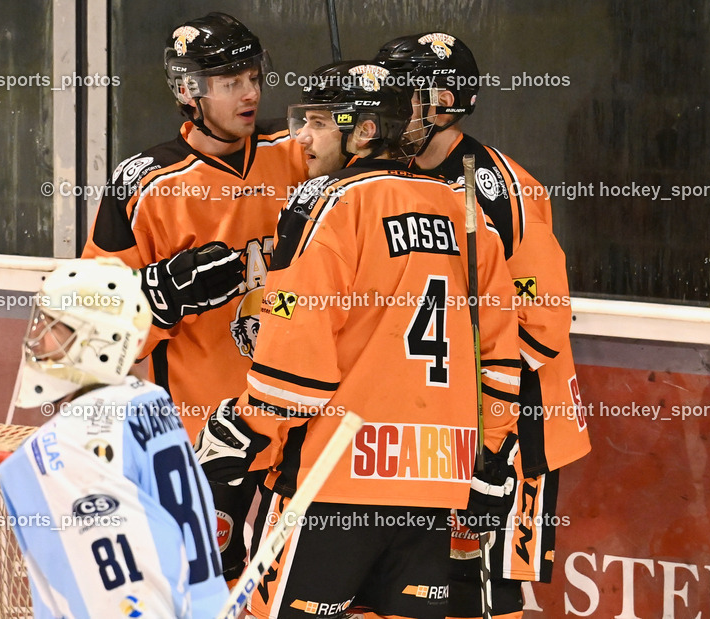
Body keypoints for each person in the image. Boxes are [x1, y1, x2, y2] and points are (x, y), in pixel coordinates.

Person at [195, 61, 521, 619]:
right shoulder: (464, 209)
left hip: (333, 481)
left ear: (365, 130)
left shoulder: (323, 201)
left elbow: (298, 362)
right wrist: (491, 450)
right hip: (433, 486)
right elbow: (498, 356)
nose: (300, 136)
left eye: (318, 122)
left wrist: (246, 431)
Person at [80, 12, 308, 582]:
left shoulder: (300, 152)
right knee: (200, 587)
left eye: (254, 77)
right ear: (189, 91)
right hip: (202, 440)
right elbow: (85, 334)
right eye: (231, 83)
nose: (251, 93)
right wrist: (160, 296)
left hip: (298, 419)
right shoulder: (145, 185)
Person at [375, 32, 592, 619]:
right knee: (429, 579)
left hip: (518, 421)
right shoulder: (388, 175)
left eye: (403, 94)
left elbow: (541, 320)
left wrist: (492, 434)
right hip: (446, 420)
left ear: (442, 101)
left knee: (491, 587)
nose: (388, 106)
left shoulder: (500, 190)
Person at [0, 257, 228, 618]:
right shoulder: (150, 402)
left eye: (55, 325)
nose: (37, 336)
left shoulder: (70, 444)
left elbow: (119, 590)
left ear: (98, 341)